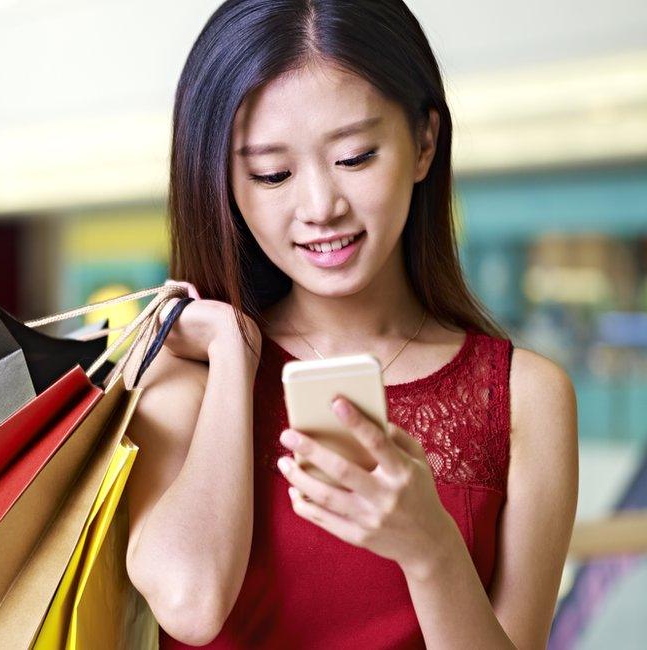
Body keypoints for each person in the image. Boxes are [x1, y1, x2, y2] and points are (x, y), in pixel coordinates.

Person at [121, 1, 579, 648]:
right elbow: (191, 605)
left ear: (424, 142)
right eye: (272, 174)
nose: (320, 207)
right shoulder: (187, 367)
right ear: (223, 181)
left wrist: (431, 551)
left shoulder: (525, 397)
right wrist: (232, 350)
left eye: (356, 157)